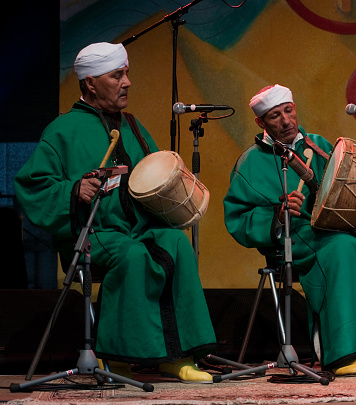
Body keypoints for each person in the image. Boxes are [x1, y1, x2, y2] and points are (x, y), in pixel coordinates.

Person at [14, 42, 216, 383]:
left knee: (175, 243)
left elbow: (154, 173)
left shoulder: (133, 126)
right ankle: (121, 357)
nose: (127, 82)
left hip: (137, 229)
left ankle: (176, 354)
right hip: (92, 235)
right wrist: (73, 189)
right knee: (133, 255)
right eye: (117, 75)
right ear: (91, 83)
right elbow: (32, 186)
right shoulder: (61, 131)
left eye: (127, 74)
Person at [223, 84, 356, 376]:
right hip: (292, 236)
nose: (286, 120)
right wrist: (279, 213)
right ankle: (339, 351)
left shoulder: (318, 145)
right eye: (275, 116)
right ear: (261, 122)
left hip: (332, 229)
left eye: (289, 110)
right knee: (343, 249)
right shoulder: (250, 162)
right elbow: (238, 216)